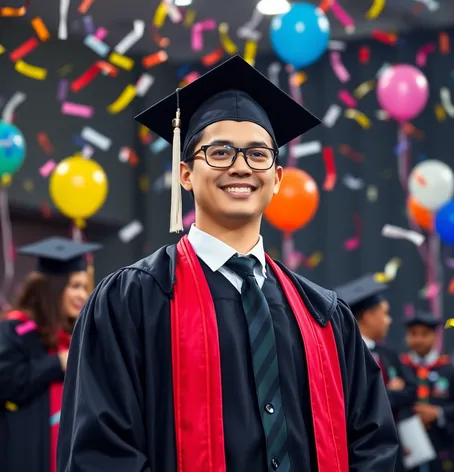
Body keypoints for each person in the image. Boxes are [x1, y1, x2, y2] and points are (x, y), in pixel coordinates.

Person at [58, 55, 398, 472]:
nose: (240, 166)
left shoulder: (324, 316)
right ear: (185, 172)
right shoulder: (130, 301)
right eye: (219, 151)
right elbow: (102, 454)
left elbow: (372, 443)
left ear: (275, 179)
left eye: (258, 154)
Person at [0, 237, 101, 472]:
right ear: (54, 287)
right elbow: (5, 381)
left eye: (85, 288)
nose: (82, 296)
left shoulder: (74, 336)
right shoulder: (15, 330)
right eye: (75, 286)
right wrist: (55, 363)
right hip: (25, 454)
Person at [400, 312, 454, 472]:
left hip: (443, 447)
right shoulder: (400, 368)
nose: (418, 339)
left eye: (424, 334)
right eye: (413, 334)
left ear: (434, 336)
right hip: (408, 448)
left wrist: (438, 413)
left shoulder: (450, 369)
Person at [335, 274, 417, 414]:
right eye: (385, 314)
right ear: (369, 317)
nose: (388, 320)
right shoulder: (342, 353)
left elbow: (411, 391)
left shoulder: (388, 354)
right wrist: (388, 393)